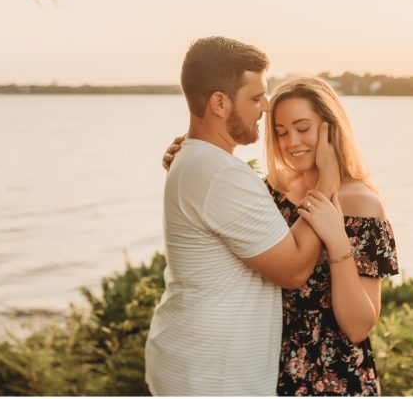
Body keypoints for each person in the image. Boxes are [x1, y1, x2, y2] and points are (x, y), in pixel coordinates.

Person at [163, 75, 399, 395]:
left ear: (330, 128)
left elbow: (358, 327)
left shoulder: (362, 204)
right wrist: (190, 156)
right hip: (264, 370)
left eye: (303, 128)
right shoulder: (272, 192)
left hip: (335, 379)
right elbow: (219, 192)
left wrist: (338, 241)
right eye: (281, 132)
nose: (292, 142)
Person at [144, 37, 351, 396]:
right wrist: (329, 177)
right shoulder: (219, 172)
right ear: (220, 103)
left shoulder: (199, 161)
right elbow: (293, 269)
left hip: (192, 363)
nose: (267, 107)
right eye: (256, 97)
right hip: (213, 377)